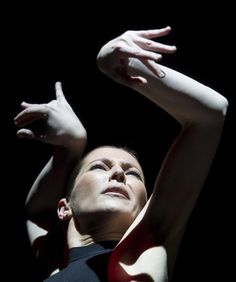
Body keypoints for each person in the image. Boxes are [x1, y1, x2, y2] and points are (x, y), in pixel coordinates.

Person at [14, 26, 228, 282]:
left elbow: (210, 116)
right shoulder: (54, 268)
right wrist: (72, 144)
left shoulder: (146, 253)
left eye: (133, 173)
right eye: (99, 167)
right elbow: (36, 210)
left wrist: (128, 67)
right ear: (64, 207)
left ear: (144, 206)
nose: (118, 173)